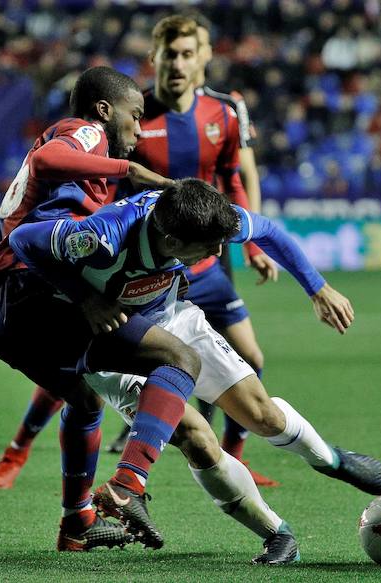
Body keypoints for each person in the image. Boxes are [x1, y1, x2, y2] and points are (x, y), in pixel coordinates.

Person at [8, 178, 381, 549]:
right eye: (209, 247)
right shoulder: (104, 236)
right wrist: (85, 298)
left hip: (172, 316)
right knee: (198, 438)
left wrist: (318, 288)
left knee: (263, 416)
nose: (216, 254)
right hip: (114, 341)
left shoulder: (204, 214)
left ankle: (331, 460)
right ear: (173, 240)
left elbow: (270, 232)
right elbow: (23, 238)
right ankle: (278, 533)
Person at [0, 65, 178, 550]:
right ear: (106, 111)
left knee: (84, 401)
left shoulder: (89, 174)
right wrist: (131, 171)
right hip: (25, 291)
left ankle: (77, 523)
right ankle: (129, 487)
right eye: (136, 115)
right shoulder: (85, 133)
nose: (140, 128)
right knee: (178, 359)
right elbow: (46, 162)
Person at [106, 15, 280, 488]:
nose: (179, 63)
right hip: (148, 259)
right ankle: (19, 449)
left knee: (248, 358)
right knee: (88, 357)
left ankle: (231, 456)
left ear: (204, 57)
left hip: (207, 256)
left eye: (189, 53)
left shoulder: (224, 110)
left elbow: (237, 177)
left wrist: (252, 243)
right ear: (155, 58)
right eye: (171, 54)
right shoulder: (136, 112)